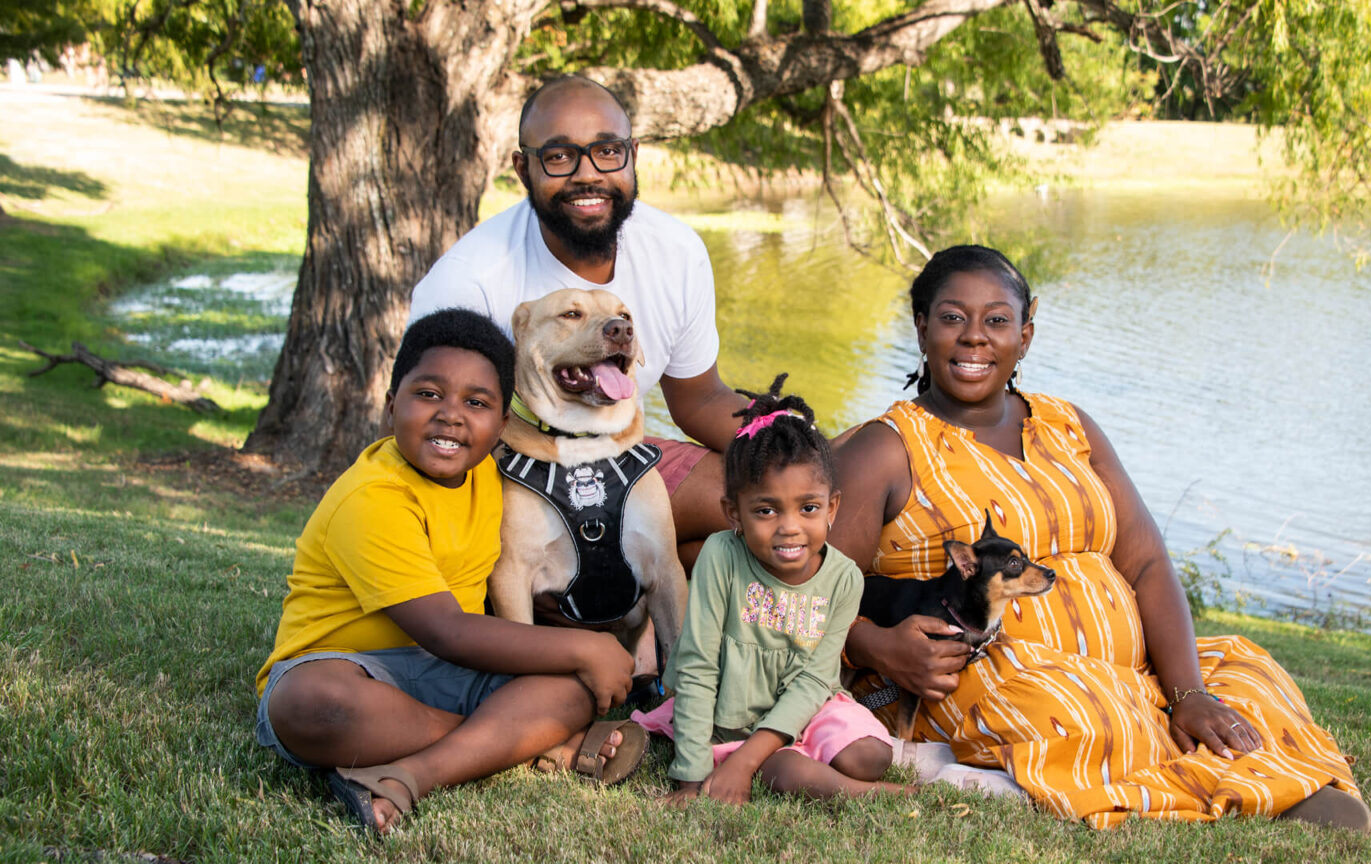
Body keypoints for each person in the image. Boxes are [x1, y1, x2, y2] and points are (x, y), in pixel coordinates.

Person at [830, 246, 1371, 830]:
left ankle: (1222, 759)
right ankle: (1248, 787)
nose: (974, 338)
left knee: (1244, 670)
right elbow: (811, 589)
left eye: (996, 320)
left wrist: (1187, 692)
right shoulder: (887, 448)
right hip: (979, 673)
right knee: (1076, 713)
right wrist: (879, 650)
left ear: (1026, 334)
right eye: (952, 318)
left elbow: (1146, 563)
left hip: (1126, 670)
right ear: (922, 327)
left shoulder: (1069, 426)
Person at [255, 309, 648, 835]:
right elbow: (446, 631)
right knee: (313, 707)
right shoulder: (373, 498)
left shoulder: (490, 473)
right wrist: (590, 648)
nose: (451, 416)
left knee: (571, 690)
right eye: (428, 395)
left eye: (477, 403)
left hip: (449, 676)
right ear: (391, 406)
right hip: (347, 668)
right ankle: (533, 746)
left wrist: (584, 655)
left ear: (502, 424)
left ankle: (413, 773)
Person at [409, 75, 741, 566]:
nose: (588, 174)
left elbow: (702, 398)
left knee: (761, 503)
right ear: (524, 168)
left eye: (607, 151)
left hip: (620, 458)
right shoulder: (469, 281)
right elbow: (429, 434)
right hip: (509, 484)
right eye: (560, 157)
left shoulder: (677, 251)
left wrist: (783, 443)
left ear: (632, 154)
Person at [630, 375, 910, 804]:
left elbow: (816, 680)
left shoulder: (843, 578)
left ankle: (781, 763)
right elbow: (698, 664)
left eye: (809, 508)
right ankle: (854, 790)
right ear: (734, 513)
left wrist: (744, 764)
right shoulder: (721, 556)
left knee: (870, 755)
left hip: (805, 705)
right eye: (765, 510)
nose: (789, 527)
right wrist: (690, 778)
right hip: (727, 712)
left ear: (832, 507)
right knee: (784, 769)